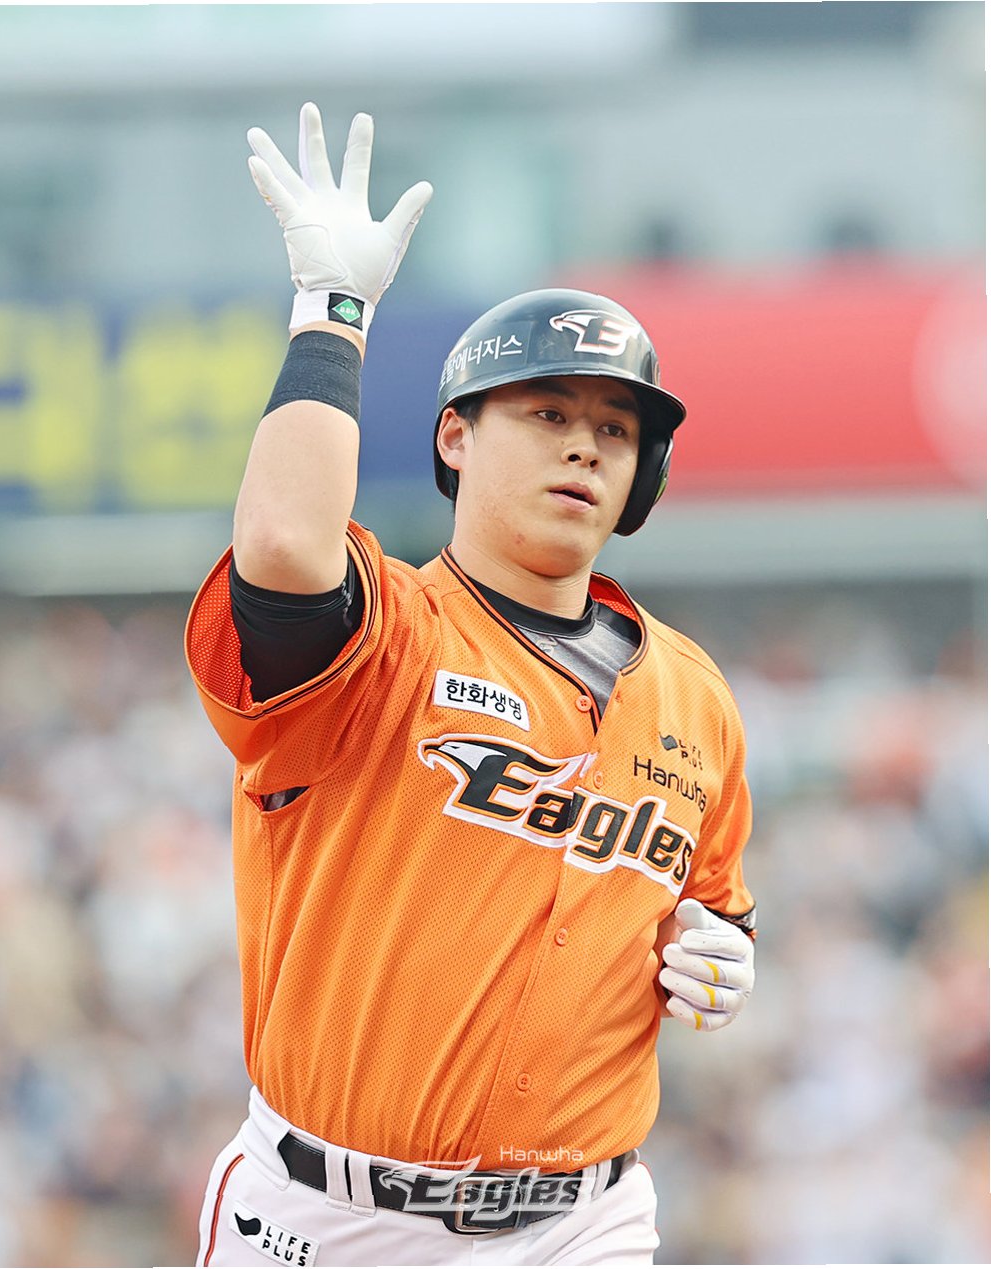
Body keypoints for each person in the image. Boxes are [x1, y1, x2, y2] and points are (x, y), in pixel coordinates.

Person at [185, 104, 756, 1268]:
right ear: (455, 437)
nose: (585, 446)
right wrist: (332, 314)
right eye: (547, 413)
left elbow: (712, 910)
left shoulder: (694, 698)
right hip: (327, 1216)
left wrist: (720, 953)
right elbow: (284, 548)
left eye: (615, 428)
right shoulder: (387, 633)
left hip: (581, 1224)